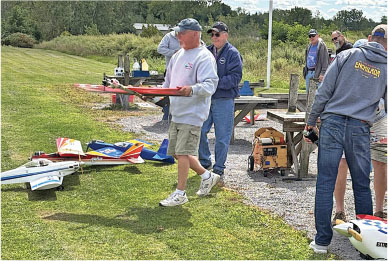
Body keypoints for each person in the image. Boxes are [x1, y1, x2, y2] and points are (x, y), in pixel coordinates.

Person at [305, 24, 387, 254]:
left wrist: (312, 120)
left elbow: (324, 90)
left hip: (332, 124)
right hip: (360, 128)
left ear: (370, 38)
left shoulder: (346, 55)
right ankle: (366, 246)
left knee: (325, 182)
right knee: (361, 184)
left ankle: (321, 242)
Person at [158, 18, 220, 207]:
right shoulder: (177, 55)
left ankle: (180, 193)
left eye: (181, 33)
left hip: (193, 112)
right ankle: (207, 175)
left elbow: (211, 85)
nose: (177, 36)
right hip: (177, 112)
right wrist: (152, 96)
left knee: (183, 152)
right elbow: (167, 84)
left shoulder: (204, 57)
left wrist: (191, 89)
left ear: (194, 34)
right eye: (177, 33)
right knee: (177, 152)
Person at [332, 38, 386, 224]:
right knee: (342, 164)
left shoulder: (380, 65)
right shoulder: (348, 63)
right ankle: (339, 211)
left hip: (378, 120)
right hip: (354, 122)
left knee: (380, 163)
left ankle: (379, 211)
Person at [198, 21, 243, 185]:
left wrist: (213, 84)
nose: (214, 37)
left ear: (226, 35)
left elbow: (235, 78)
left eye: (217, 34)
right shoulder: (206, 51)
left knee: (222, 137)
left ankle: (218, 169)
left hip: (224, 99)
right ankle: (204, 162)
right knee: (200, 130)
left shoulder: (233, 53)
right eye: (212, 34)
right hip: (206, 99)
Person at [157, 30, 181, 121]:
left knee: (179, 93)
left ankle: (176, 116)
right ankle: (166, 115)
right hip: (170, 70)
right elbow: (160, 49)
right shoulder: (168, 37)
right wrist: (173, 52)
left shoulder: (188, 36)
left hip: (183, 71)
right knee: (167, 93)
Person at [303, 29, 329, 93]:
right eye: (310, 36)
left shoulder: (321, 45)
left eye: (313, 35)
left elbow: (325, 60)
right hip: (309, 72)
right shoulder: (309, 46)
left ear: (318, 36)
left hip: (317, 73)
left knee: (317, 95)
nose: (311, 37)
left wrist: (322, 73)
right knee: (308, 94)